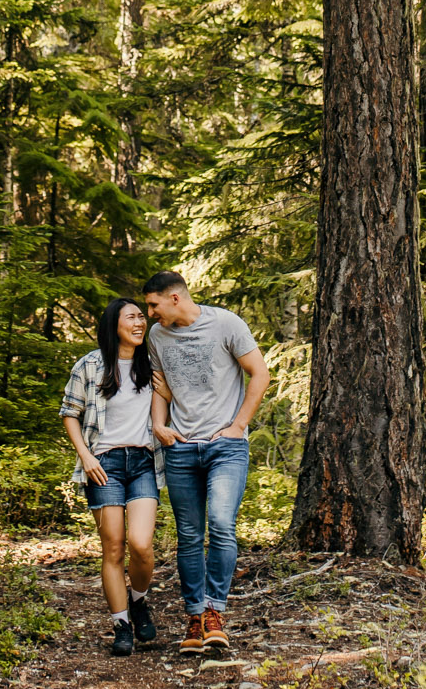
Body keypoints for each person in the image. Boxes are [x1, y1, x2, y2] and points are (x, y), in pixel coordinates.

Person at [144, 270, 270, 659]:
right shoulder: (157, 337)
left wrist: (239, 425)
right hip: (181, 449)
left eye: (153, 305)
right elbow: (160, 385)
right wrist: (159, 426)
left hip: (225, 447)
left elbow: (259, 373)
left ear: (175, 298)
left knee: (221, 525)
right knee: (189, 535)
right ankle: (194, 617)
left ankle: (216, 611)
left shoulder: (226, 324)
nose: (149, 314)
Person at [59, 296, 162, 657]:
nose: (139, 322)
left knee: (141, 545)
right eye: (131, 317)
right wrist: (85, 456)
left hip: (143, 462)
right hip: (104, 464)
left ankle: (139, 601)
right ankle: (121, 625)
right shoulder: (89, 365)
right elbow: (70, 412)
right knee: (114, 547)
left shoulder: (152, 365)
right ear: (113, 325)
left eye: (141, 317)